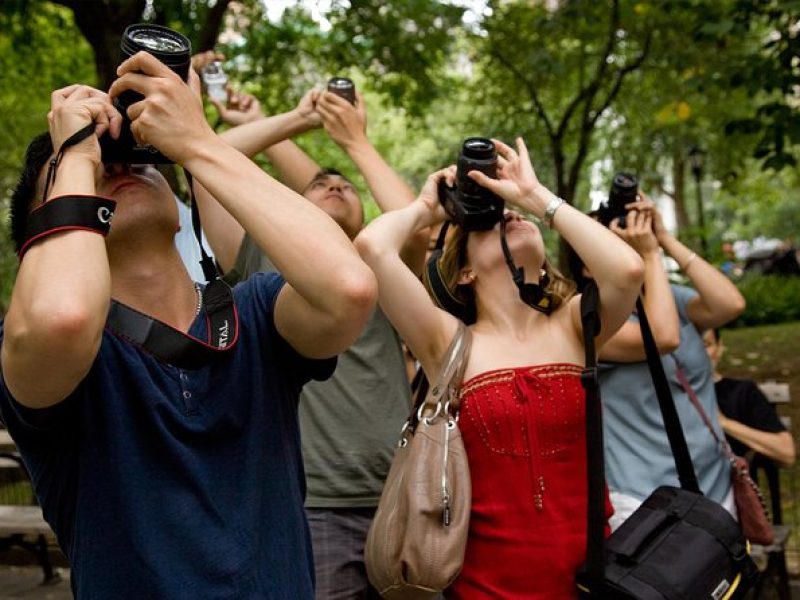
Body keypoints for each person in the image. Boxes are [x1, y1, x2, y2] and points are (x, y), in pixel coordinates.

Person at [0, 51, 377, 598]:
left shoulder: (257, 315)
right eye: (97, 167)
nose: (119, 163)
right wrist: (74, 153)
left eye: (136, 158)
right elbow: (64, 317)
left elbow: (350, 288)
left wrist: (197, 141)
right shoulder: (47, 351)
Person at [355, 137, 645, 598]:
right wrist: (429, 207)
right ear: (465, 271)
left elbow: (628, 269)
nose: (509, 214)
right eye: (491, 220)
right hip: (484, 585)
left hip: (589, 581)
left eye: (518, 214)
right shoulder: (445, 341)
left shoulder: (573, 324)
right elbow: (372, 247)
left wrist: (536, 197)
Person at [192, 84, 425, 598]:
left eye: (347, 186)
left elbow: (421, 225)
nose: (336, 184)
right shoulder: (259, 253)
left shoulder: (380, 261)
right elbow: (203, 156)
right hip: (310, 501)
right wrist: (297, 117)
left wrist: (356, 143)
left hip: (402, 496)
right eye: (319, 185)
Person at [585, 199, 747, 529]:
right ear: (588, 265)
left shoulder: (673, 298)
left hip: (713, 485)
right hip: (643, 497)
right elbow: (663, 337)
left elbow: (730, 305)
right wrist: (649, 255)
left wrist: (664, 239)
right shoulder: (591, 320)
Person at [704, 328, 796, 466]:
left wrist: (724, 423)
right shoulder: (666, 395)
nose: (696, 354)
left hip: (728, 483)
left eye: (705, 345)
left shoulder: (742, 392)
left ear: (720, 347)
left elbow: (786, 452)